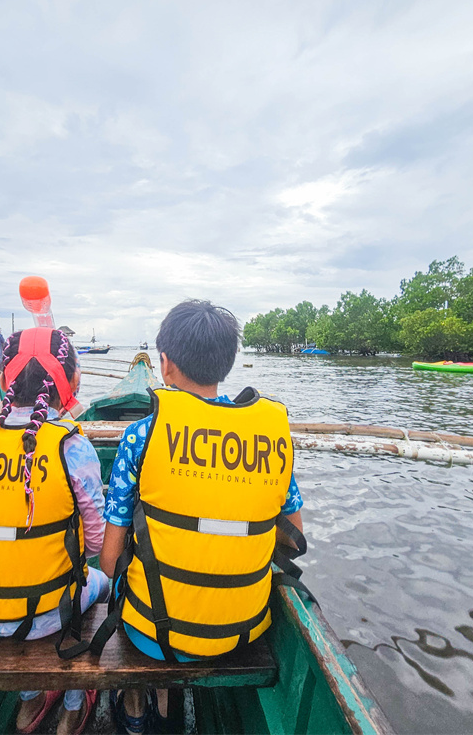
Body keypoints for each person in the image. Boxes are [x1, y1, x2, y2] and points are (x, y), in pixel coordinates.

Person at [96, 300, 308, 734]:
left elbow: (109, 556)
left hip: (150, 632)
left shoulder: (142, 434)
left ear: (166, 364)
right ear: (225, 365)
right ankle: (164, 704)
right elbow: (293, 540)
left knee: (123, 581)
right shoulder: (271, 433)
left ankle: (136, 705)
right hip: (242, 629)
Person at [0, 328, 108, 735]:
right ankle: (72, 701)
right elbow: (97, 543)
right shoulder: (71, 446)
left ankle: (28, 704)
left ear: (6, 381)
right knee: (103, 582)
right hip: (46, 615)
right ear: (68, 381)